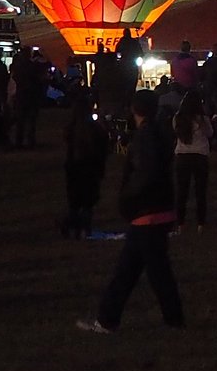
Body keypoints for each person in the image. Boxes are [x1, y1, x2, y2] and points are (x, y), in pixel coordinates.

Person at [77, 92, 184, 334]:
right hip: (156, 210)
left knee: (152, 272)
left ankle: (171, 319)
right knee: (131, 269)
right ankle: (108, 318)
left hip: (147, 211)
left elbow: (146, 173)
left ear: (134, 110)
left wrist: (128, 198)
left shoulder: (146, 138)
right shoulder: (159, 133)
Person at [62, 97, 110, 239]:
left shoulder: (71, 129)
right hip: (91, 167)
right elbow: (103, 147)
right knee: (88, 201)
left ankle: (73, 225)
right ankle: (83, 227)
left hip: (75, 167)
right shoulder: (95, 129)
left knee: (75, 201)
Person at [171, 90, 213, 231]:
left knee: (182, 191)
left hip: (182, 155)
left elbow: (175, 132)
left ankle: (181, 223)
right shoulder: (202, 119)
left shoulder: (178, 118)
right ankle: (201, 223)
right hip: (200, 155)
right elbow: (210, 133)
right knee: (200, 191)